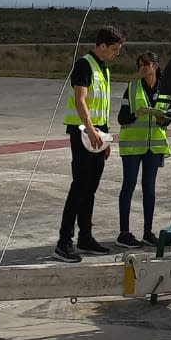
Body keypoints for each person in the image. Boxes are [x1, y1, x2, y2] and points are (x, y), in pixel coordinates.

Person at [55, 25, 124, 261]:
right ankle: (64, 241)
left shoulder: (103, 68)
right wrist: (93, 130)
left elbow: (101, 107)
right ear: (102, 46)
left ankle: (85, 236)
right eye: (114, 49)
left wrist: (104, 138)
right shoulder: (85, 65)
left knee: (91, 188)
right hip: (83, 133)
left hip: (96, 136)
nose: (116, 54)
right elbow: (80, 100)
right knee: (79, 187)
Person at [116, 51, 171, 248]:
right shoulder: (131, 88)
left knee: (149, 189)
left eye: (145, 64)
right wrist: (136, 114)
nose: (141, 68)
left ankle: (148, 232)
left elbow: (170, 117)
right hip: (132, 147)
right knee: (128, 186)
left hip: (154, 147)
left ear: (155, 66)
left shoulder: (167, 89)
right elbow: (121, 119)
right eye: (139, 65)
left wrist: (161, 119)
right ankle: (124, 233)